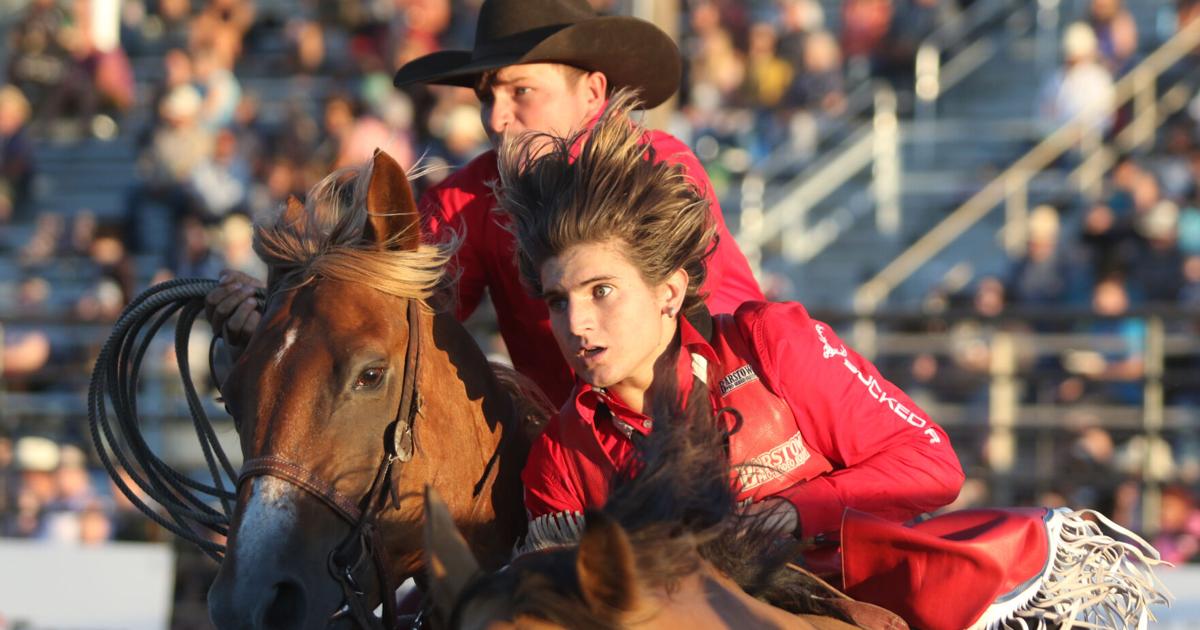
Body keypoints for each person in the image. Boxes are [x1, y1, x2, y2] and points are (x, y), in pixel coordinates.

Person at [206, 0, 764, 405]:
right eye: (488, 96)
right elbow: (387, 310)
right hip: (571, 461)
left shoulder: (660, 167)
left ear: (592, 93)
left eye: (521, 91)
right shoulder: (468, 198)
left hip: (717, 430)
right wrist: (280, 317)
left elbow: (729, 329)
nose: (497, 118)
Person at [499, 94, 964, 548]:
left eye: (601, 291)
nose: (577, 323)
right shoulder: (558, 460)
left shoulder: (770, 343)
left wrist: (796, 509)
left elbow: (931, 463)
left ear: (670, 291)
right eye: (557, 301)